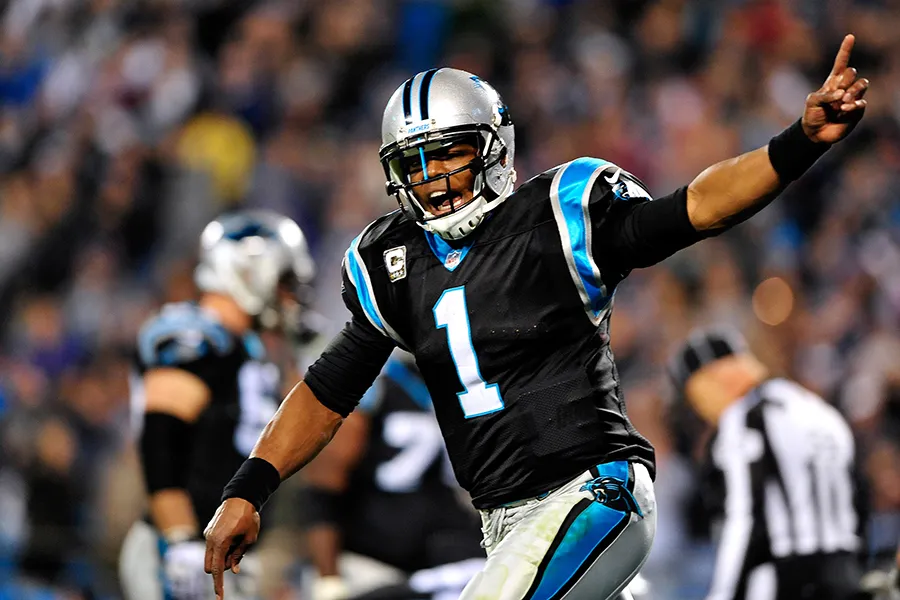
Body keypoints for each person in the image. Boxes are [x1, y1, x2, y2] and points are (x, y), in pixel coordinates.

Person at [204, 35, 869, 600]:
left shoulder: (556, 217)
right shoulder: (394, 261)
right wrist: (250, 487)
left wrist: (798, 143)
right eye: (417, 162)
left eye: (451, 154)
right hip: (504, 523)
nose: (434, 179)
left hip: (590, 497)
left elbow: (695, 207)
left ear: (494, 148)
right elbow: (329, 388)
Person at [120, 210, 316, 600]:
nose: (291, 296)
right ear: (249, 272)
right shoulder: (195, 333)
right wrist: (179, 541)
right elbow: (162, 441)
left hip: (220, 550)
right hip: (181, 548)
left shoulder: (249, 349)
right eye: (284, 282)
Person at [669, 328, 864, 600]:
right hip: (847, 572)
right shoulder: (821, 410)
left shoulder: (744, 419)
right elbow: (859, 498)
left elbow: (743, 518)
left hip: (786, 579)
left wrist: (723, 593)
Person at [301, 352, 485, 600]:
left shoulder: (456, 382)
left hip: (440, 546)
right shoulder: (375, 385)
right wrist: (328, 578)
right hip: (373, 557)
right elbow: (323, 493)